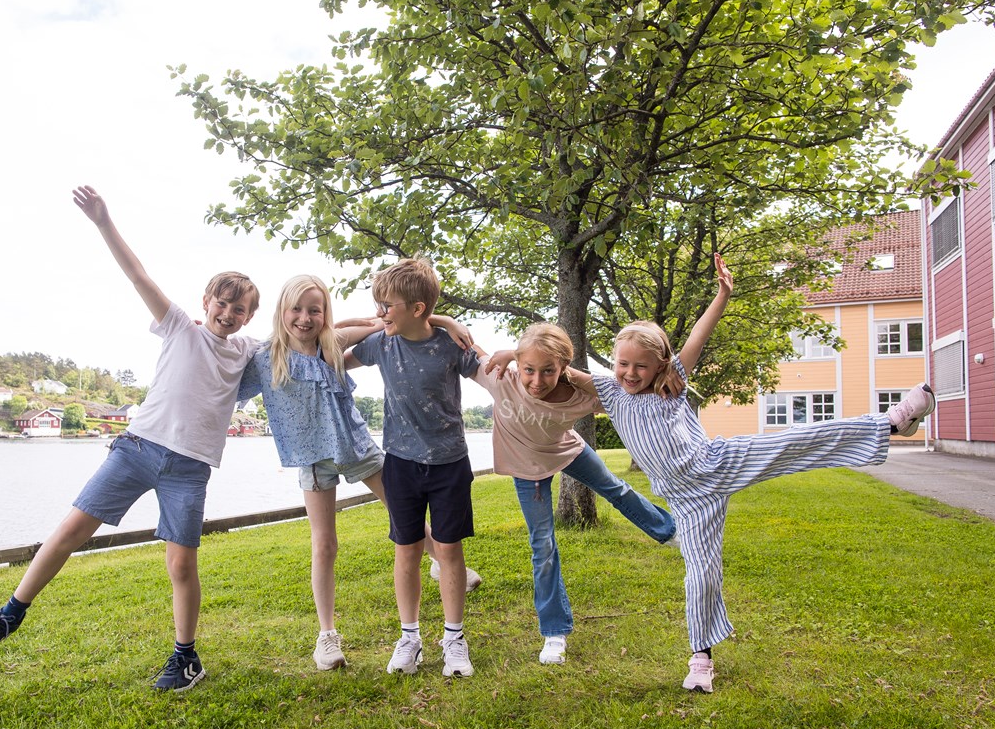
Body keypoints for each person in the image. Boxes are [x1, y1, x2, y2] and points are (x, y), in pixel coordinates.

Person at [564, 252, 935, 693]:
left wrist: (723, 294)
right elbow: (557, 367)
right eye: (623, 363)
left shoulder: (674, 381)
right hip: (689, 500)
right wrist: (512, 354)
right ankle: (701, 657)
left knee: (795, 441)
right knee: (701, 572)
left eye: (640, 365)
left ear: (660, 364)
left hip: (717, 463)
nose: (629, 372)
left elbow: (698, 335)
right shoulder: (611, 389)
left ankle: (891, 422)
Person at [0, 185, 261, 693]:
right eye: (222, 303)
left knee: (181, 560)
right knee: (72, 529)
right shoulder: (178, 328)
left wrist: (393, 320)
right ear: (205, 301)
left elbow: (310, 331)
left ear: (249, 317)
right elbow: (137, 273)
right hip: (138, 450)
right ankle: (9, 614)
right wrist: (103, 222)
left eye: (239, 309)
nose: (228, 313)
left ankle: (185, 656)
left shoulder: (247, 348)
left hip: (188, 468)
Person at [236, 274, 482, 671]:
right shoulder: (265, 358)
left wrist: (448, 322)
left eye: (314, 310)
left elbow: (391, 320)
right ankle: (326, 635)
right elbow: (223, 379)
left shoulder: (331, 343)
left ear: (325, 315)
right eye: (296, 309)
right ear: (281, 312)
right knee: (324, 543)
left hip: (355, 445)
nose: (304, 318)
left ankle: (441, 560)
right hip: (312, 456)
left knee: (405, 516)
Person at [476, 323, 676, 665]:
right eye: (529, 370)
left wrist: (666, 374)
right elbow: (467, 350)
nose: (537, 381)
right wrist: (446, 322)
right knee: (543, 544)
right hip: (528, 471)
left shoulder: (584, 395)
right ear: (519, 365)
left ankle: (673, 532)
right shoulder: (501, 378)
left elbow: (630, 388)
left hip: (568, 450)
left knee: (617, 489)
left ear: (564, 368)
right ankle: (554, 631)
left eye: (549, 371)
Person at [347, 257, 482, 677]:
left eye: (387, 305)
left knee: (449, 551)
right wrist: (381, 321)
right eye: (378, 305)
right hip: (401, 465)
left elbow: (490, 372)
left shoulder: (449, 346)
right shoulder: (381, 343)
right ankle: (410, 638)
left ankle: (454, 639)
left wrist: (450, 325)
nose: (380, 312)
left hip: (449, 465)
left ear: (417, 308)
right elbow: (329, 341)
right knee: (405, 551)